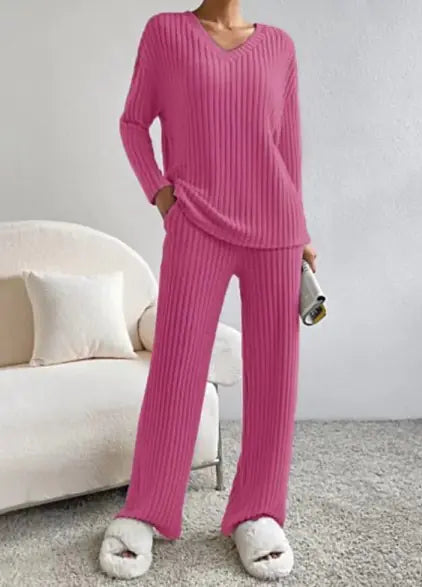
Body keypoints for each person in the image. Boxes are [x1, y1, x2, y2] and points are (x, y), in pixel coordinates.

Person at [99, 1, 317, 581]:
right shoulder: (166, 33)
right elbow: (132, 123)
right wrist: (161, 194)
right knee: (176, 367)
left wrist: (302, 233)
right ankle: (147, 509)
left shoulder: (280, 47)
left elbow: (288, 148)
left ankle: (258, 512)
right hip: (196, 222)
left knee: (274, 378)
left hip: (276, 229)